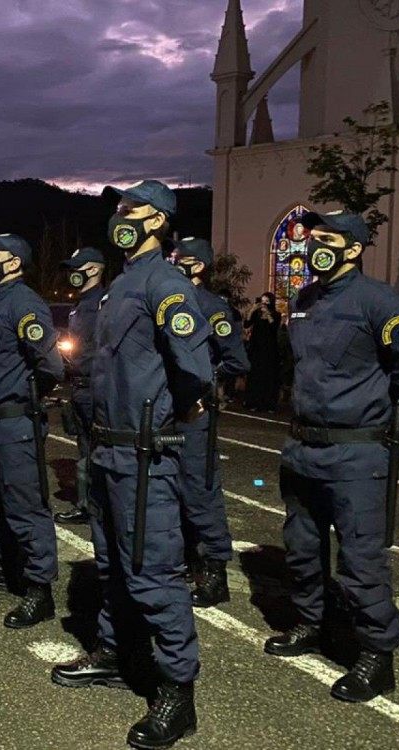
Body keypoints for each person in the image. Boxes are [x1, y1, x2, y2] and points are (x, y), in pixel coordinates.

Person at [50, 181, 211, 748]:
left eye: (130, 210)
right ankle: (116, 656)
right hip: (107, 448)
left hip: (144, 454)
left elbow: (194, 367)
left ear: (159, 221)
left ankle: (176, 690)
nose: (119, 217)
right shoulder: (121, 285)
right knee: (113, 564)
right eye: (117, 209)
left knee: (153, 571)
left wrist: (172, 418)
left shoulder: (165, 284)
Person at [264, 210, 399, 704]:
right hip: (302, 447)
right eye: (311, 238)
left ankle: (376, 655)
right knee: (302, 547)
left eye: (326, 238)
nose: (314, 245)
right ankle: (312, 624)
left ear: (353, 248)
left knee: (360, 559)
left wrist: (365, 408)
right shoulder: (304, 299)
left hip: (356, 451)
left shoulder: (380, 301)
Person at [0, 231, 64, 630]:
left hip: (15, 422)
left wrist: (24, 396)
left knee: (25, 506)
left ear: (15, 262)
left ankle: (40, 591)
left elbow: (51, 366)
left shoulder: (24, 303)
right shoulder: (0, 302)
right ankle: (6, 567)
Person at [172, 238, 250, 607]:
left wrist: (203, 384)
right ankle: (188, 561)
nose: (173, 264)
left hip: (195, 415)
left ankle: (215, 573)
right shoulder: (170, 301)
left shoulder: (211, 307)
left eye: (180, 260)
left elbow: (236, 361)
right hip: (167, 412)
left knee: (200, 493)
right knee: (172, 493)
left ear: (197, 266)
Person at [54, 246, 106, 526]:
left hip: (94, 386)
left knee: (94, 449)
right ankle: (88, 504)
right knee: (85, 447)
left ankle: (93, 506)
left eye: (79, 268)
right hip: (81, 385)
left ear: (95, 269)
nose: (73, 274)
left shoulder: (100, 304)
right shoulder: (82, 304)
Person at [244, 291, 282, 411]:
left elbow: (274, 327)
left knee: (268, 377)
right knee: (255, 375)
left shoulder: (276, 314)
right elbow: (246, 324)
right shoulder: (256, 314)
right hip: (256, 348)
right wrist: (251, 310)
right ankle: (253, 402)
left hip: (269, 350)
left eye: (267, 301)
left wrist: (268, 315)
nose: (264, 304)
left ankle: (268, 403)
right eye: (262, 301)